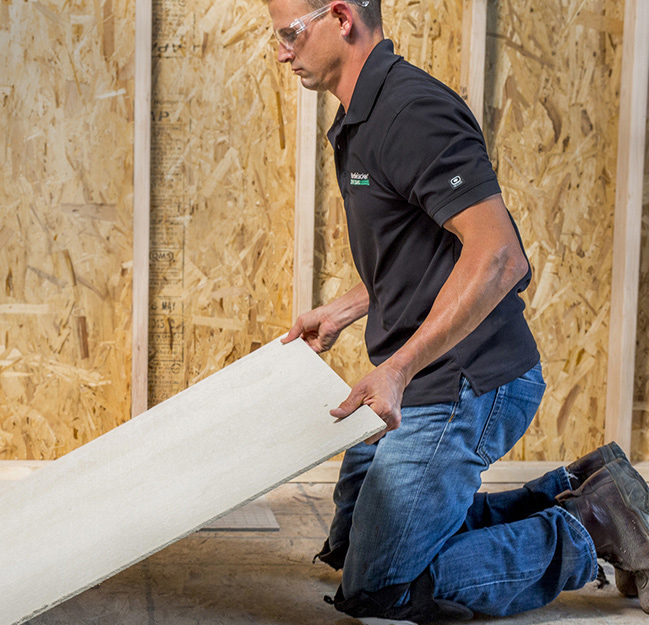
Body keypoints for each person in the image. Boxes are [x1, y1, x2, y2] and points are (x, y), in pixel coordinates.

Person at [266, 0, 649, 620]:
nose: (282, 51)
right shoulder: (362, 114)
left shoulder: (411, 111)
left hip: (467, 380)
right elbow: (432, 251)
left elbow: (500, 257)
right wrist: (343, 309)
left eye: (290, 33)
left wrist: (398, 368)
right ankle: (587, 486)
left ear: (340, 18)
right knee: (348, 546)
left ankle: (591, 526)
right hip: (424, 375)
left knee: (380, 590)